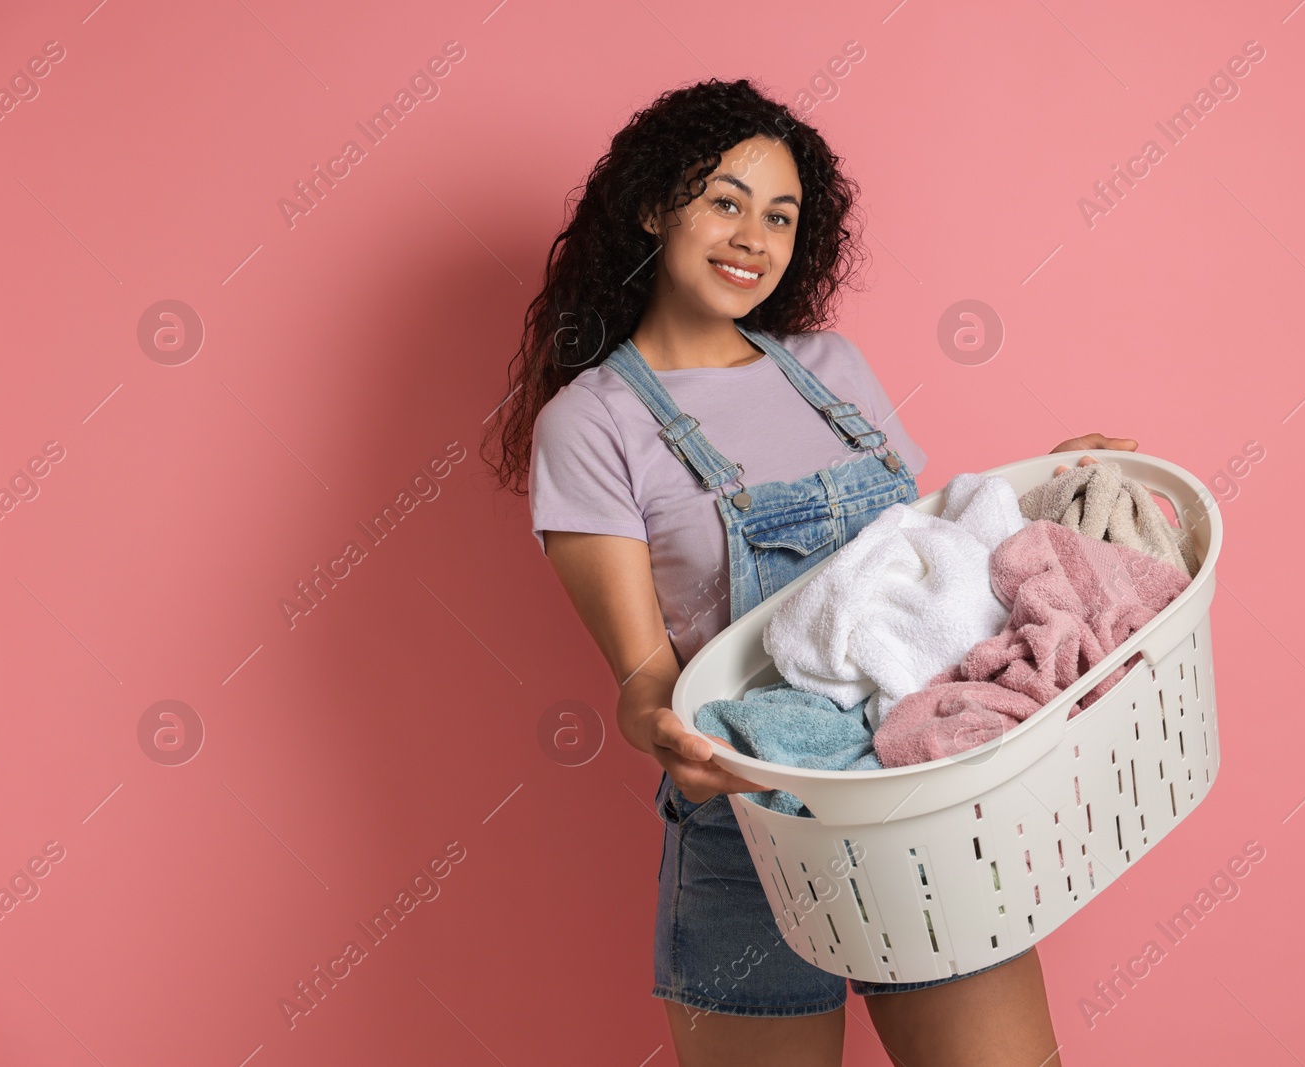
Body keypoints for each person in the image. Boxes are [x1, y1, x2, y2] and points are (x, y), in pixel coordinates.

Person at [486, 77, 1135, 1067]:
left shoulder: (828, 370)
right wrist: (658, 729)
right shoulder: (591, 422)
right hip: (751, 833)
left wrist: (1049, 495)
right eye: (725, 201)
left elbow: (929, 574)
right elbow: (645, 679)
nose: (753, 235)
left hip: (914, 799)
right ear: (656, 205)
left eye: (780, 215)